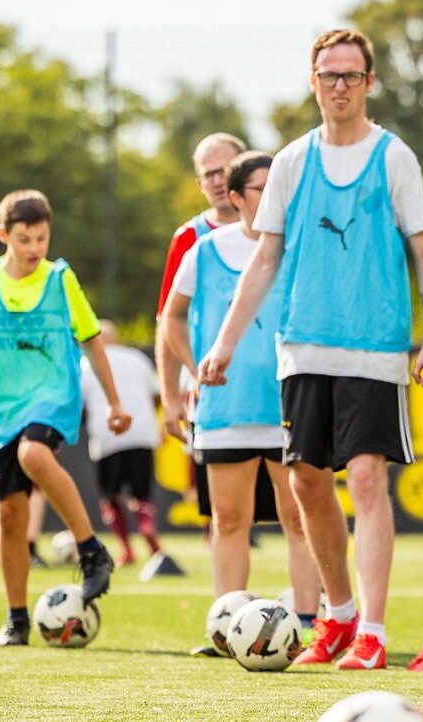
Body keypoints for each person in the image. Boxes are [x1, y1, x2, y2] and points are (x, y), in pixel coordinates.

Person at [198, 29, 423, 671]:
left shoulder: (393, 158)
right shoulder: (288, 162)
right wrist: (224, 343)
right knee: (307, 483)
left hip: (374, 348)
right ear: (313, 82)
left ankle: (373, 629)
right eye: (328, 75)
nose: (339, 85)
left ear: (369, 82)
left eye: (351, 75)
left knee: (365, 478)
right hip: (301, 349)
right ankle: (335, 618)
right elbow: (265, 258)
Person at [0, 189, 130, 647]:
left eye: (42, 238)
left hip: (52, 396)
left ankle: (92, 552)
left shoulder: (60, 280)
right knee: (10, 517)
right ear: (3, 236)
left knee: (34, 454)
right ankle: (16, 619)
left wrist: (114, 401)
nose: (35, 248)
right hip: (2, 408)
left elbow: (91, 340)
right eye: (24, 239)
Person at [163, 151, 322, 653]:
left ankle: (311, 627)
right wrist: (194, 370)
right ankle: (228, 625)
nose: (275, 195)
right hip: (224, 411)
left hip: (288, 403)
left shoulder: (300, 247)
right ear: (235, 197)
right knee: (228, 520)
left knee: (300, 517)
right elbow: (170, 318)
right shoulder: (204, 251)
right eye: (261, 187)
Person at [155, 133, 248, 536]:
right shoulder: (189, 239)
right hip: (214, 392)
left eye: (222, 170)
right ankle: (228, 601)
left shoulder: (280, 229)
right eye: (206, 174)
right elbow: (168, 320)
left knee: (297, 501)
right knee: (219, 511)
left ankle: (311, 595)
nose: (214, 180)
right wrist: (171, 395)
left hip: (274, 386)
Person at [79, 319, 164, 567]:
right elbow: (158, 394)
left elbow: (80, 407)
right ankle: (147, 527)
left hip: (108, 435)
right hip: (142, 432)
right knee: (141, 494)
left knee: (111, 496)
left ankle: (126, 549)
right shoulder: (136, 358)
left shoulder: (85, 365)